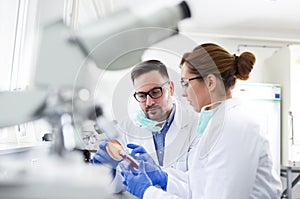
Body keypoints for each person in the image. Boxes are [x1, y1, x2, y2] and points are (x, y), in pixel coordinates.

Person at [121, 43, 282, 198]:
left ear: (210, 82)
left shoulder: (234, 126)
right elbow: (198, 189)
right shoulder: (214, 127)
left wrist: (147, 193)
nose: (183, 93)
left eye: (186, 83)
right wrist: (163, 178)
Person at [92, 60, 200, 193]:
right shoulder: (126, 128)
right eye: (142, 96)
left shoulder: (196, 126)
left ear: (170, 88)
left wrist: (163, 178)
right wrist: (110, 170)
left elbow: (201, 185)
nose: (149, 102)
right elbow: (119, 185)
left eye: (155, 92)